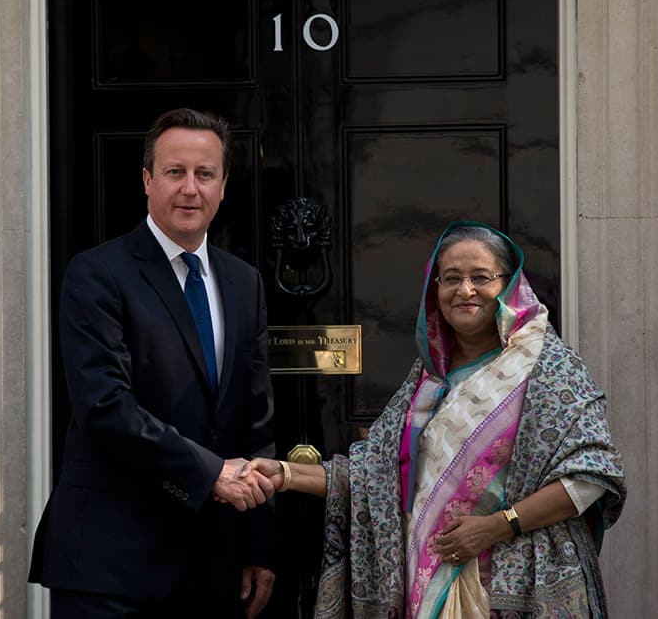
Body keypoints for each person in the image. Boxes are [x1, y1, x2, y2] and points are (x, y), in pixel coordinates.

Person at [244, 222, 626, 618]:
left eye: (481, 277)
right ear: (435, 290)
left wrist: (498, 525)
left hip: (518, 585)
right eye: (451, 279)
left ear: (510, 287)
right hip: (426, 580)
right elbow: (370, 475)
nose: (465, 291)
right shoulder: (425, 381)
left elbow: (591, 476)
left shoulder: (549, 368)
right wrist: (282, 474)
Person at [29, 108, 278, 618]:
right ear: (147, 180)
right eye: (174, 172)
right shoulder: (97, 274)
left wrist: (258, 542)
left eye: (205, 174)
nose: (190, 189)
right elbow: (105, 407)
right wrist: (212, 475)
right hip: (111, 563)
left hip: (213, 565)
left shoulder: (243, 282)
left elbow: (255, 419)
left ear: (224, 185)